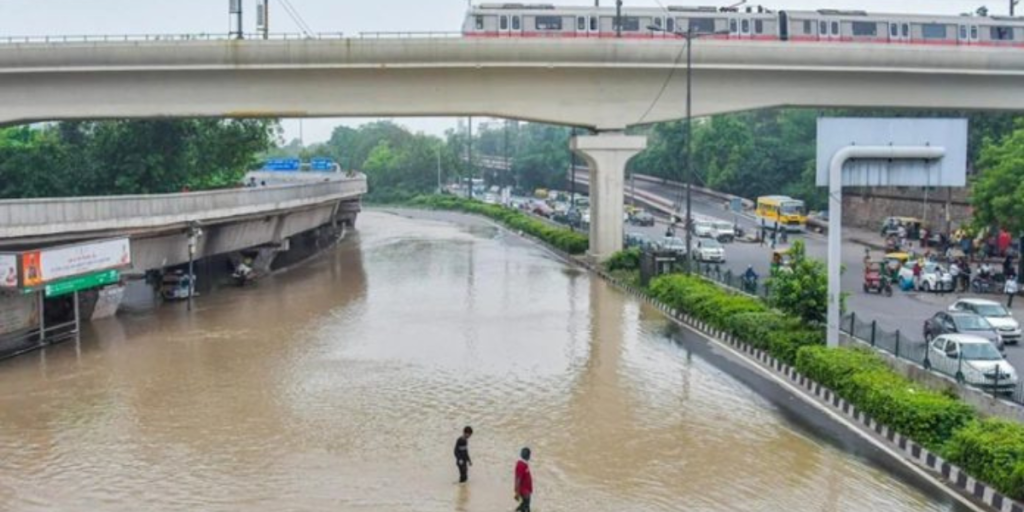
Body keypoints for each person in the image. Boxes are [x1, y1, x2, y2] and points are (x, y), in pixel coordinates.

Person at [514, 447, 533, 512]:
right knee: (526, 506)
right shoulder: (521, 465)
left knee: (525, 505)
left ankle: (518, 509)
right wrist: (517, 492)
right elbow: (518, 479)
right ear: (528, 456)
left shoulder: (523, 463)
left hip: (526, 490)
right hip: (524, 491)